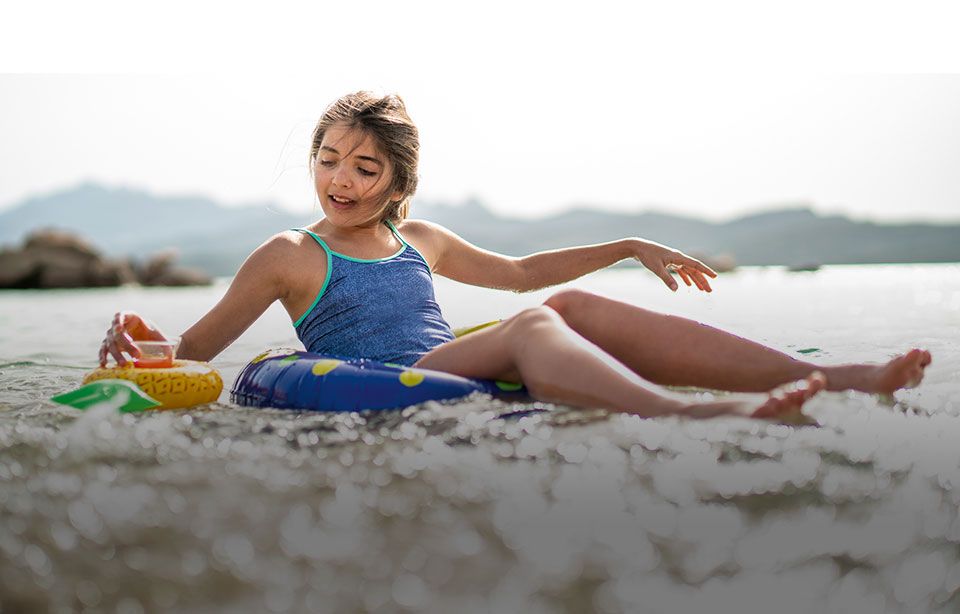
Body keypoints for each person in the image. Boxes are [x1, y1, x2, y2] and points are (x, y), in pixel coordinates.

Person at [99, 92, 931, 420]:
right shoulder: (287, 253)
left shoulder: (417, 239)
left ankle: (851, 376)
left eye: (364, 167)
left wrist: (630, 245)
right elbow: (198, 353)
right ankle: (687, 415)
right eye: (328, 159)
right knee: (538, 322)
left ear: (396, 184)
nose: (340, 181)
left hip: (450, 359)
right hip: (394, 376)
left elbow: (526, 272)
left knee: (559, 307)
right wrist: (139, 350)